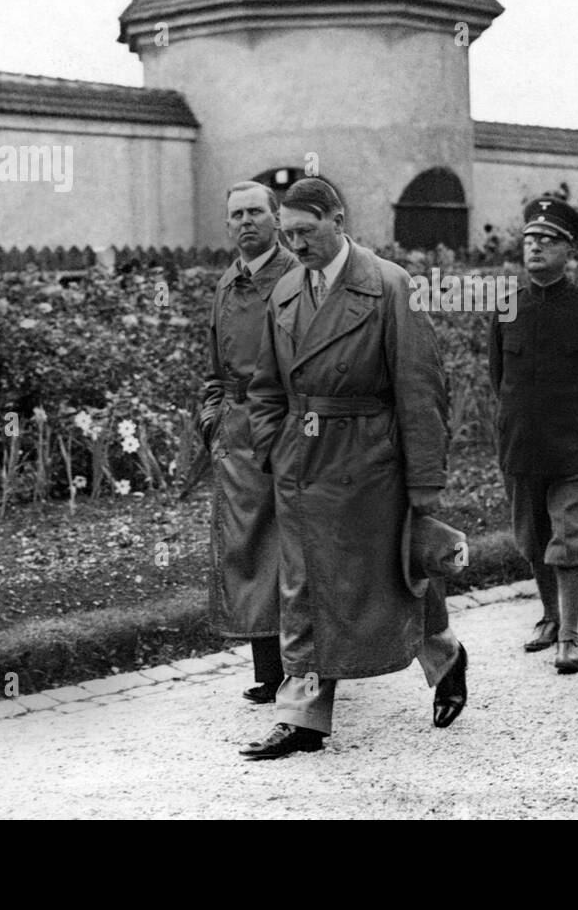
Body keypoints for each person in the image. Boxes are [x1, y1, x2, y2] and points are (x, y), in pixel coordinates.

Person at [241, 177, 468, 760]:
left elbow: (422, 391)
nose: (296, 244)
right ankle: (304, 720)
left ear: (338, 220)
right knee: (303, 588)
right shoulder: (286, 290)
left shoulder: (390, 286)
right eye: (287, 234)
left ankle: (444, 658)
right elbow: (265, 386)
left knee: (394, 579)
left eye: (306, 231)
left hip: (370, 465)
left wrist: (423, 486)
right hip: (302, 463)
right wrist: (274, 446)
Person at [488, 195, 578, 674]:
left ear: (570, 253)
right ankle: (548, 616)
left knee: (572, 538)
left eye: (548, 241)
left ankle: (570, 634)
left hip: (577, 445)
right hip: (522, 443)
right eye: (529, 240)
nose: (536, 248)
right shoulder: (507, 307)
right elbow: (497, 374)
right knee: (533, 537)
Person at [199, 181, 297, 703]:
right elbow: (214, 368)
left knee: (293, 548)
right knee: (248, 548)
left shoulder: (298, 278)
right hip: (237, 434)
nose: (245, 222)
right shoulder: (226, 282)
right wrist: (213, 417)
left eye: (256, 212)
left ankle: (307, 665)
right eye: (236, 214)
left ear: (276, 218)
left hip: (284, 425)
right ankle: (269, 672)